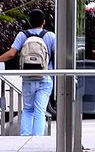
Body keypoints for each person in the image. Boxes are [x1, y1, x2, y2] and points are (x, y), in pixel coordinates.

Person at [0, 8, 57, 136]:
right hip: (45, 78)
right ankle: (37, 139)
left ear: (29, 22)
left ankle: (24, 137)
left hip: (28, 78)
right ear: (43, 22)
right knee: (40, 110)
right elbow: (59, 55)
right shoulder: (50, 36)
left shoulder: (22, 35)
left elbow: (11, 54)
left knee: (27, 109)